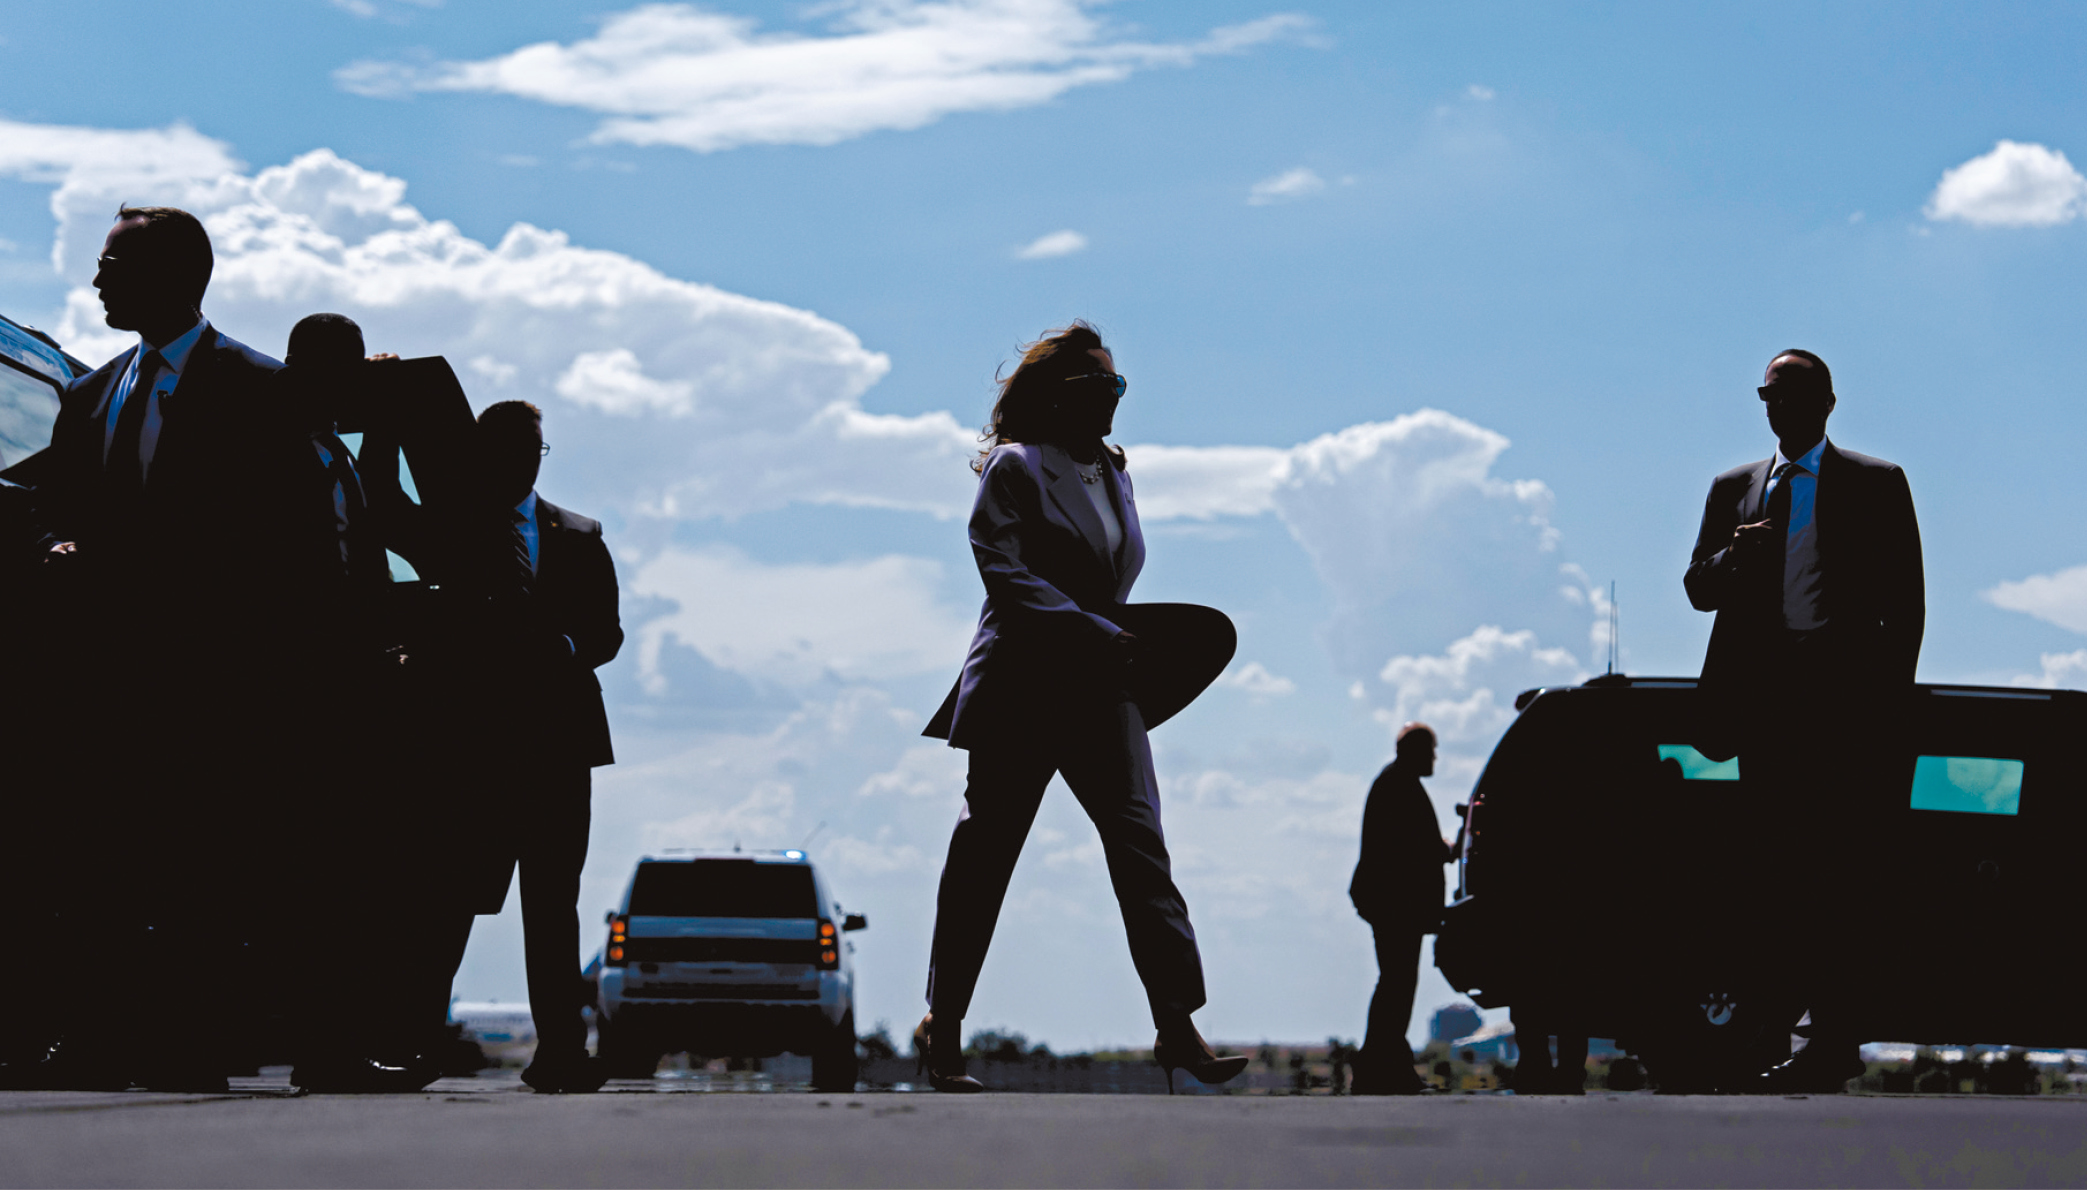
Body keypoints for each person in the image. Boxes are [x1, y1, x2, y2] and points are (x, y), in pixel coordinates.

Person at [917, 321, 1242, 1094]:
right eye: (1096, 383)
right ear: (1056, 394)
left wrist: (1118, 643)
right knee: (985, 858)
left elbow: (1111, 575)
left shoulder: (1114, 471)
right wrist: (1092, 631)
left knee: (1141, 850)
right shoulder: (1016, 466)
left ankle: (1176, 1026)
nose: (1111, 396)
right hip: (1022, 685)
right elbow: (1003, 572)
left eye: (1116, 383)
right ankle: (944, 1025)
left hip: (1103, 686)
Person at [29, 206, 296, 1092]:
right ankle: (95, 1036)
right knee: (97, 855)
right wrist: (56, 545)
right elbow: (54, 505)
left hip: (208, 678)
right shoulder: (91, 393)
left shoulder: (259, 389)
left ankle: (192, 1040)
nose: (96, 281)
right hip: (101, 677)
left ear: (176, 274)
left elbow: (281, 538)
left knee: (200, 861)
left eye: (113, 266)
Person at [365, 398, 623, 1094]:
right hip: (470, 748)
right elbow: (384, 504)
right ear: (483, 456)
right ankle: (415, 1045)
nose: (521, 464)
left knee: (553, 904)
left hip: (558, 748)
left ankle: (561, 1053)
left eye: (532, 451)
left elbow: (607, 632)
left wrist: (563, 647)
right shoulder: (450, 526)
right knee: (447, 901)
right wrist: (384, 419)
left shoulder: (579, 532)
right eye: (507, 451)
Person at [1684, 348, 1924, 1093]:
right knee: (1771, 879)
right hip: (1764, 711)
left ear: (1826, 402)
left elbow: (1906, 603)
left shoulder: (1876, 483)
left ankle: (1830, 1042)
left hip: (1842, 712)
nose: (1777, 408)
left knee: (1837, 881)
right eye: (1768, 396)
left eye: (1790, 395)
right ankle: (1766, 1036)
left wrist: (1884, 705)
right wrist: (1733, 556)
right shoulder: (1734, 488)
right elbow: (1697, 589)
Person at [1348, 722, 1459, 1095]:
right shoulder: (1401, 787)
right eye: (1430, 751)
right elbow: (1416, 847)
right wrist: (1447, 849)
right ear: (1416, 752)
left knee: (1394, 983)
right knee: (1397, 985)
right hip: (1396, 906)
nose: (1434, 759)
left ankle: (1379, 1065)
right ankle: (1385, 1068)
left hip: (1390, 904)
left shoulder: (1394, 783)